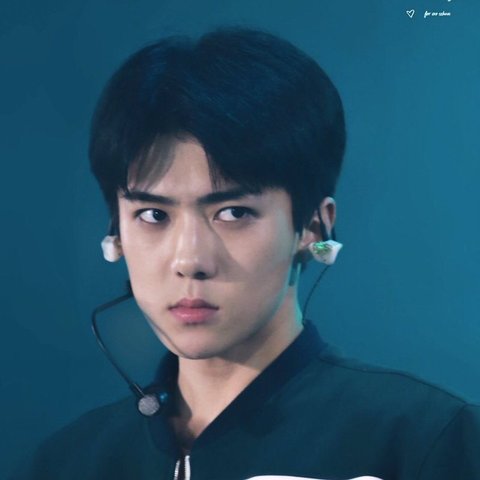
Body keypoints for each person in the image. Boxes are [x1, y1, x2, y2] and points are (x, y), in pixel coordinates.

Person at [12, 26, 480, 480]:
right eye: (153, 215)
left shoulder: (422, 440)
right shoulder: (65, 463)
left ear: (313, 227)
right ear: (115, 233)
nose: (189, 260)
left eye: (233, 212)